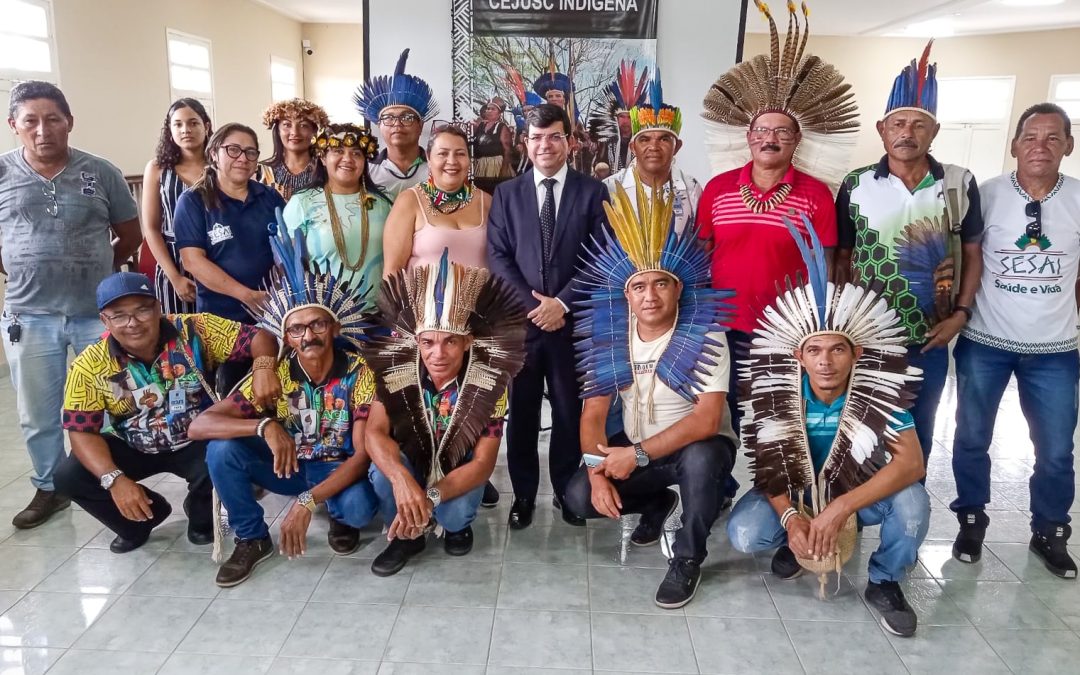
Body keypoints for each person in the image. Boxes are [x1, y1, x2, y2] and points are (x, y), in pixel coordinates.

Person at [727, 216, 930, 638]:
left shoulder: (875, 387)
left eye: (837, 349)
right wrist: (789, 520)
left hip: (858, 492)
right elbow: (768, 471)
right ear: (799, 357)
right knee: (745, 533)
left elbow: (911, 464)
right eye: (814, 350)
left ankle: (885, 580)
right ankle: (796, 541)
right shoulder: (777, 391)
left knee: (912, 503)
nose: (825, 361)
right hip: (797, 490)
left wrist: (840, 508)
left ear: (855, 353)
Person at [563, 179, 738, 610]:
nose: (650, 295)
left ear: (678, 288)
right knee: (578, 497)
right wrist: (597, 472)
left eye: (661, 284)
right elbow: (592, 415)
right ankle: (659, 502)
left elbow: (707, 420)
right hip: (643, 447)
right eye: (640, 287)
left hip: (696, 446)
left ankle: (688, 559)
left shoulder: (705, 334)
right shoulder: (610, 336)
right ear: (627, 294)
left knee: (701, 459)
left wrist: (636, 454)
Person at [699, 2, 857, 444]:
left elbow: (823, 264)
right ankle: (723, 484)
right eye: (761, 131)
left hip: (785, 324)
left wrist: (814, 323)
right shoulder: (718, 188)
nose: (770, 138)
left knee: (780, 409)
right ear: (747, 137)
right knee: (721, 409)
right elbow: (702, 254)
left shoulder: (816, 194)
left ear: (797, 138)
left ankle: (782, 486)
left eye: (781, 131)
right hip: (721, 322)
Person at [190, 225, 380, 587]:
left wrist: (308, 501)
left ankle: (337, 511)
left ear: (335, 328)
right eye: (296, 330)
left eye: (317, 324)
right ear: (286, 336)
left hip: (336, 467)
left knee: (357, 509)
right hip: (288, 468)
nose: (308, 336)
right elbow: (199, 426)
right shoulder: (275, 374)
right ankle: (251, 537)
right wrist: (264, 426)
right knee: (221, 450)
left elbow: (361, 456)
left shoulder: (360, 372)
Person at [0, 81, 142, 529]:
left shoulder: (100, 173)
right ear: (14, 126)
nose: (43, 130)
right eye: (31, 121)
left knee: (120, 399)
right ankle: (49, 487)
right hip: (29, 316)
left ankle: (124, 476)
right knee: (39, 413)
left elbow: (131, 235)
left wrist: (100, 268)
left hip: (96, 318)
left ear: (69, 122)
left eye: (53, 119)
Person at [835, 41, 983, 467]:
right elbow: (844, 255)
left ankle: (908, 508)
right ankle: (856, 512)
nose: (907, 133)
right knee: (860, 431)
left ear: (934, 132)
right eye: (898, 123)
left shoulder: (956, 183)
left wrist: (960, 314)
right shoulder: (856, 184)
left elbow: (973, 254)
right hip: (865, 337)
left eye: (919, 125)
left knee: (918, 429)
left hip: (929, 339)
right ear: (882, 129)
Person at [54, 272, 279, 553]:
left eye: (142, 310)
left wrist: (263, 368)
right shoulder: (89, 365)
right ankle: (140, 521)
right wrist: (115, 480)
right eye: (119, 315)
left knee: (220, 463)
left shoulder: (196, 329)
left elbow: (261, 337)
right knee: (68, 475)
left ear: (158, 307)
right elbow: (81, 431)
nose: (132, 323)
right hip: (132, 443)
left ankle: (201, 515)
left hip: (196, 438)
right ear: (105, 321)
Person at [950, 103, 1079, 578]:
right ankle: (970, 516)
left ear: (1068, 145)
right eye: (1030, 136)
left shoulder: (1079, 199)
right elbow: (968, 258)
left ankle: (1050, 529)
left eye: (1052, 137)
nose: (1040, 146)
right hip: (986, 340)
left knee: (1056, 448)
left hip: (1056, 349)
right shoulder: (986, 195)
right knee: (971, 436)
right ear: (1014, 145)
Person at [362, 249, 526, 575]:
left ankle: (454, 525)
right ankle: (407, 537)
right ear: (417, 342)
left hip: (457, 466)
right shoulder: (395, 369)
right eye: (428, 343)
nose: (438, 354)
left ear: (468, 342)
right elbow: (374, 433)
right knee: (382, 474)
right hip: (411, 460)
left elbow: (482, 464)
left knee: (455, 513)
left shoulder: (488, 381)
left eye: (450, 342)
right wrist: (402, 480)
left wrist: (430, 497)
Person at [487, 103, 609, 529]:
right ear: (525, 142)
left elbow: (602, 256)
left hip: (572, 325)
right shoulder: (506, 194)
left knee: (567, 410)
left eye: (554, 136)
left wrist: (563, 303)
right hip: (522, 326)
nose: (545, 145)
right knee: (521, 412)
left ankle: (563, 490)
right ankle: (522, 495)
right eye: (536, 137)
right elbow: (498, 257)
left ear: (570, 142)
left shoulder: (593, 192)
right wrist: (536, 307)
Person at [174, 123, 285, 324]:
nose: (243, 158)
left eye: (250, 152)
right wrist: (247, 296)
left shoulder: (270, 197)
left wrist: (280, 293)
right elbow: (193, 261)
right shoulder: (193, 201)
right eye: (233, 150)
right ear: (214, 153)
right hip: (220, 319)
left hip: (272, 311)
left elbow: (288, 249)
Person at [282, 123, 392, 290]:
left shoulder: (384, 204)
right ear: (323, 158)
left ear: (365, 161)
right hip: (322, 311)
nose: (347, 159)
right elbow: (287, 264)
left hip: (379, 311)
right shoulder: (302, 203)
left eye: (356, 153)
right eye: (338, 151)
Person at [603, 71, 701, 238]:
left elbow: (700, 244)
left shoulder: (691, 188)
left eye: (664, 139)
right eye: (645, 140)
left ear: (676, 147)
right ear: (633, 147)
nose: (654, 147)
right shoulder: (610, 188)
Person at [383, 124, 490, 277]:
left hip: (483, 300)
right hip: (421, 300)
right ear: (429, 158)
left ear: (469, 159)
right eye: (443, 154)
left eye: (460, 154)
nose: (452, 161)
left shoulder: (487, 202)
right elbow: (392, 272)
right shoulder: (409, 201)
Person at [140, 98, 212, 314]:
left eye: (193, 123)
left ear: (206, 126)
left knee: (220, 332)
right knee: (178, 335)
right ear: (169, 130)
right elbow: (151, 229)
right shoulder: (158, 168)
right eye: (178, 124)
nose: (185, 130)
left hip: (216, 258)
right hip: (172, 259)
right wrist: (174, 276)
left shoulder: (220, 166)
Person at [355, 49, 436, 199]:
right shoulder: (366, 169)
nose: (397, 124)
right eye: (389, 118)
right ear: (379, 125)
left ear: (421, 125)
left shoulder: (438, 166)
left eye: (407, 117)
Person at [257, 98, 329, 201]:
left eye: (303, 125)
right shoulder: (260, 172)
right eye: (287, 125)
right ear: (277, 130)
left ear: (314, 131)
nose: (295, 132)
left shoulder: (327, 171)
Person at [588, 60, 648, 174]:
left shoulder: (642, 142)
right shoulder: (605, 143)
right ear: (615, 118)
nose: (625, 121)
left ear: (636, 120)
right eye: (622, 116)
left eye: (629, 117)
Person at [471, 98, 513, 184]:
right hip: (480, 166)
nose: (489, 111)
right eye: (488, 108)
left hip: (495, 166)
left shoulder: (502, 127)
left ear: (499, 113)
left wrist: (503, 171)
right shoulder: (481, 125)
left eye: (493, 109)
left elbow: (508, 150)